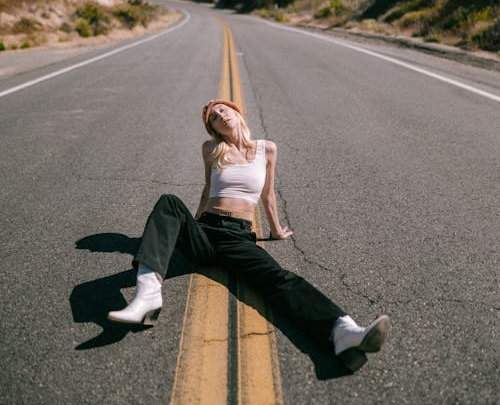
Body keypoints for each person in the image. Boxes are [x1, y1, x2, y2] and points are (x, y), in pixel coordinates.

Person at [107, 99, 390, 372]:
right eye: (213, 118)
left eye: (222, 110)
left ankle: (342, 331)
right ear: (214, 129)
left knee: (278, 278)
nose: (220, 116)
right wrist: (189, 226)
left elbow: (267, 195)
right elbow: (208, 190)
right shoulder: (211, 149)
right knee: (169, 202)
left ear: (236, 112)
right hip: (205, 230)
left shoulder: (267, 149)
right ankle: (147, 295)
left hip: (237, 237)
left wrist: (276, 230)